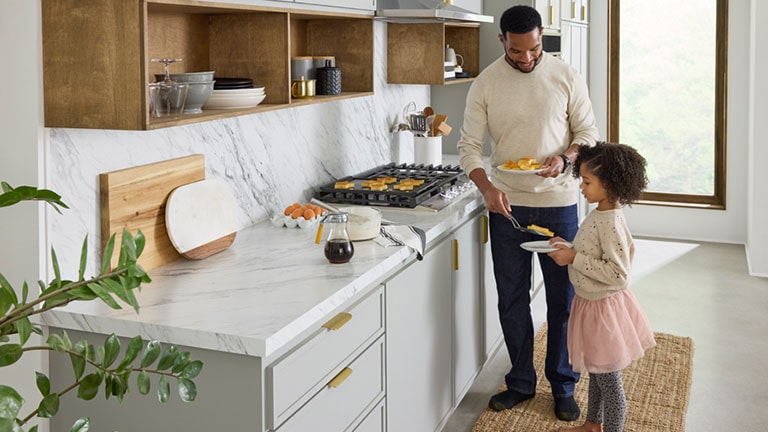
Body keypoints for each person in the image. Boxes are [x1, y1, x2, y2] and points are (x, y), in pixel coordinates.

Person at [456, 4, 599, 421]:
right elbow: (468, 146)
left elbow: (588, 131)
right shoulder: (485, 83)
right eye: (517, 51)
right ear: (502, 40)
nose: (526, 58)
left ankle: (563, 384)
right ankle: (520, 381)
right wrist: (487, 189)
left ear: (540, 40)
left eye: (533, 49)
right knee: (512, 299)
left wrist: (567, 157)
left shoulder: (564, 75)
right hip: (507, 205)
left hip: (558, 203)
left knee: (564, 302)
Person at [547, 142, 657, 432]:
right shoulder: (599, 214)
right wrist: (569, 247)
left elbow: (618, 275)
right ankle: (593, 424)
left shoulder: (610, 222)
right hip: (590, 304)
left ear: (608, 184)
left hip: (603, 310)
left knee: (609, 382)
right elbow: (593, 253)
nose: (581, 187)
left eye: (587, 181)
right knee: (596, 371)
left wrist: (573, 257)